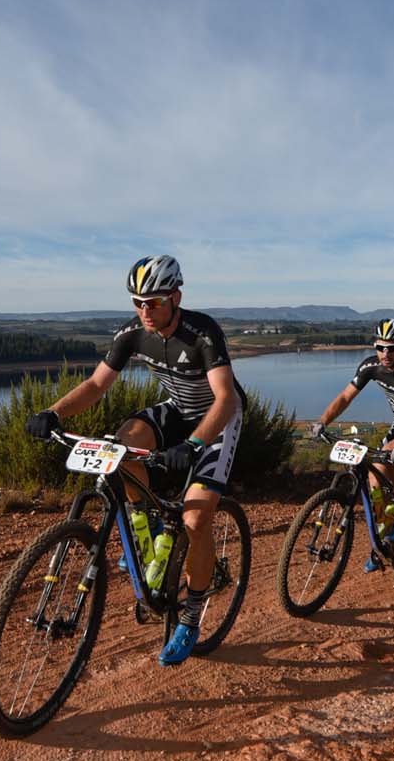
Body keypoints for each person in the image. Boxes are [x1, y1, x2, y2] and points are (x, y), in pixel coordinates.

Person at [26, 255, 244, 667]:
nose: (146, 310)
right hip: (177, 410)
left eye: (155, 302)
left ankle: (192, 614)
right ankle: (148, 521)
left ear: (176, 297)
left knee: (196, 519)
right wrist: (54, 413)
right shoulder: (132, 332)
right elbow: (96, 384)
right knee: (120, 448)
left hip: (217, 420)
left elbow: (226, 397)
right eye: (138, 302)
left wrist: (195, 445)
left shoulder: (202, 332)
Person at [311, 319, 394, 568]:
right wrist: (322, 422)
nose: (385, 353)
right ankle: (384, 542)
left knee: (392, 455)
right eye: (380, 347)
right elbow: (344, 397)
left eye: (392, 348)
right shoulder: (371, 366)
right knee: (375, 477)